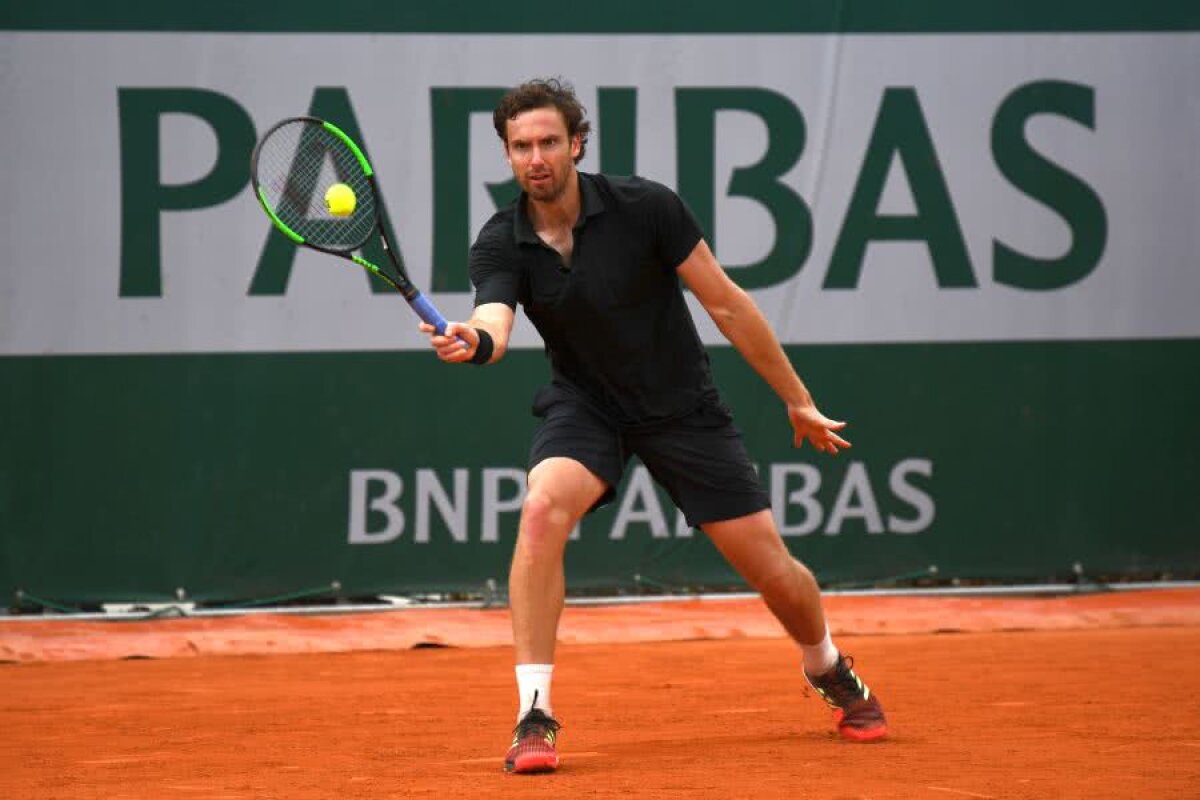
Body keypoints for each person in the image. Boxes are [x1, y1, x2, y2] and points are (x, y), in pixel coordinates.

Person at [420, 77, 887, 774]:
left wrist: (796, 398)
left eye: (549, 141)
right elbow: (494, 322)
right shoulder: (502, 241)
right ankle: (534, 713)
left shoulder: (647, 208)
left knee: (776, 575)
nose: (536, 157)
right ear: (508, 155)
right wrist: (474, 341)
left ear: (576, 143)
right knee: (542, 510)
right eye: (521, 146)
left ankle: (826, 664)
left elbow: (726, 305)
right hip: (587, 407)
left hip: (681, 408)